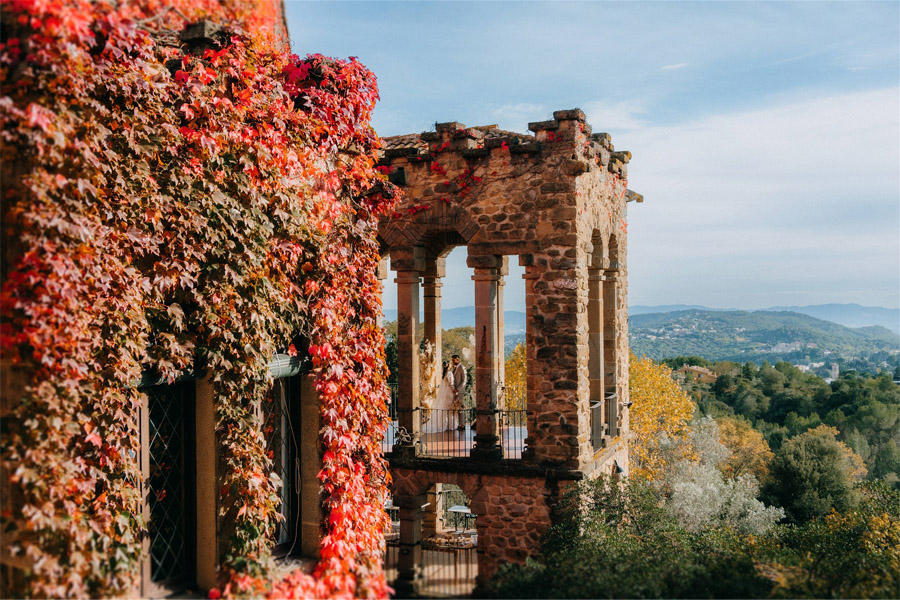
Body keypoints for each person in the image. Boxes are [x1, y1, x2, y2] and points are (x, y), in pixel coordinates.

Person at [423, 361, 456, 433]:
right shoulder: (450, 373)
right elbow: (451, 384)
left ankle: (444, 425)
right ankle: (450, 426)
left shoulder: (443, 374)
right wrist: (455, 391)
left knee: (444, 410)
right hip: (450, 393)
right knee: (450, 410)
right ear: (448, 366)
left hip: (445, 393)